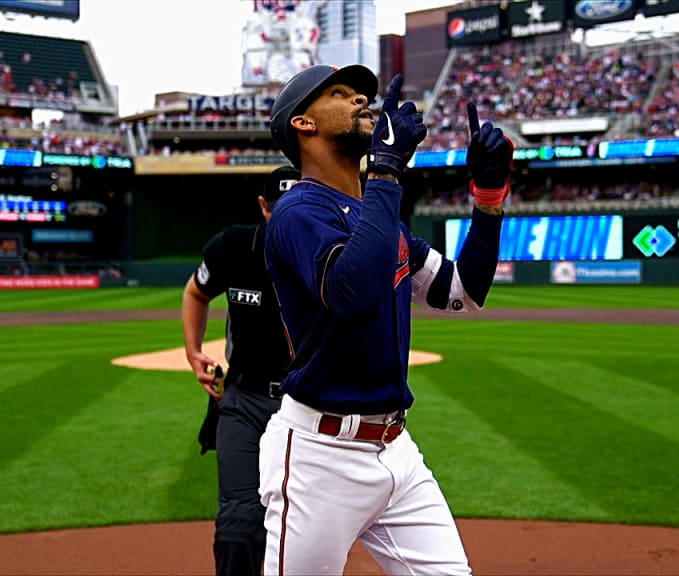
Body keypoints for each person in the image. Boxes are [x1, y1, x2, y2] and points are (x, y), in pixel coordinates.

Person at [261, 64, 512, 575]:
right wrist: (385, 169)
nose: (360, 101)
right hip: (319, 456)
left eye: (362, 94)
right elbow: (349, 290)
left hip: (396, 449)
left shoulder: (380, 216)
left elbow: (463, 291)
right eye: (339, 94)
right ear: (302, 124)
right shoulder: (296, 211)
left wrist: (488, 197)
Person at [181, 166, 299, 576]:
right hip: (244, 401)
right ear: (264, 207)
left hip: (307, 410)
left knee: (307, 533)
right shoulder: (234, 246)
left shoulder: (330, 252)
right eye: (281, 207)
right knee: (237, 528)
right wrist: (193, 351)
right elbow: (196, 291)